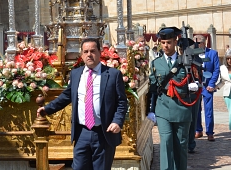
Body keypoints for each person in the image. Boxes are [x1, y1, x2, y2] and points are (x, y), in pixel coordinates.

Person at [37, 38, 128, 170]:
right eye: (85, 51)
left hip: (103, 132)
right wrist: (47, 109)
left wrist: (117, 122)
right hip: (81, 133)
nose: (89, 54)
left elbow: (121, 102)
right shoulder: (76, 74)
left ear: (99, 52)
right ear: (81, 54)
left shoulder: (113, 75)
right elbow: (66, 96)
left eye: (92, 51)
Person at [147, 27, 196, 170]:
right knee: (166, 141)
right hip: (163, 109)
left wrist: (195, 85)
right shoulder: (156, 63)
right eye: (163, 42)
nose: (165, 46)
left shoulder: (186, 62)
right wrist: (150, 109)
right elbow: (153, 88)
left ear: (175, 42)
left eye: (168, 42)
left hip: (182, 108)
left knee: (181, 145)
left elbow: (195, 79)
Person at [193, 34, 220, 141]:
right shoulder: (193, 54)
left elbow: (216, 70)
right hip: (196, 86)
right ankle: (198, 130)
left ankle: (210, 132)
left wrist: (212, 84)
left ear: (203, 43)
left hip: (208, 86)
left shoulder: (213, 54)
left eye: (198, 43)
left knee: (208, 110)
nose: (196, 45)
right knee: (196, 109)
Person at [216, 49, 231, 130]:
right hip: (228, 94)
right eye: (228, 58)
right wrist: (215, 87)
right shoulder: (222, 68)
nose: (229, 60)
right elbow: (222, 82)